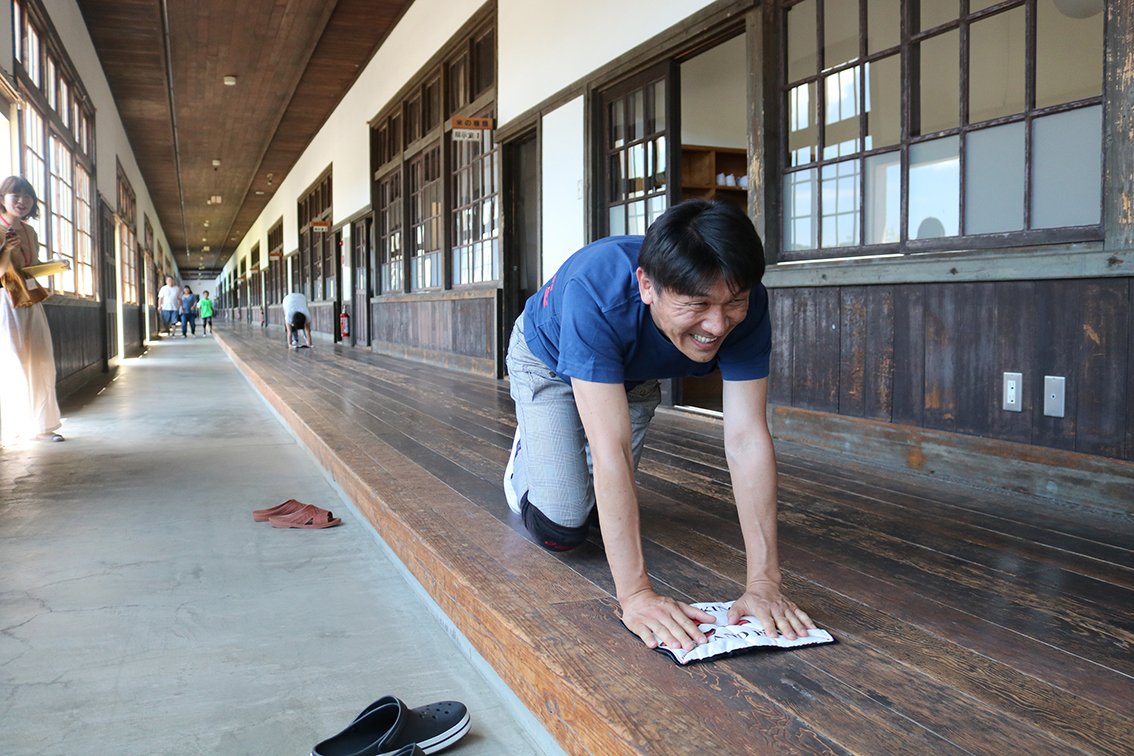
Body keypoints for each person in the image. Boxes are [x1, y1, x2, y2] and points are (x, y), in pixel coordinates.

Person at [503, 198, 814, 653]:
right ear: (646, 286)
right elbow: (613, 450)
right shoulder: (597, 289)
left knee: (599, 516)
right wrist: (636, 596)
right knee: (564, 528)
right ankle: (528, 456)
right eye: (697, 304)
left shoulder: (742, 298)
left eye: (733, 304)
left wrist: (764, 582)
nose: (717, 324)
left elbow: (746, 437)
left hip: (632, 376)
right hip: (545, 361)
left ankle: (562, 442)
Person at [0, 176, 64, 442]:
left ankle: (42, 427)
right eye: (16, 195)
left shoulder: (30, 231)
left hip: (28, 295)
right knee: (11, 360)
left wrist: (54, 266)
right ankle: (12, 426)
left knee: (41, 360)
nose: (22, 201)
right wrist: (5, 249)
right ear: (3, 198)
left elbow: (30, 267)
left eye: (27, 196)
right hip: (5, 297)